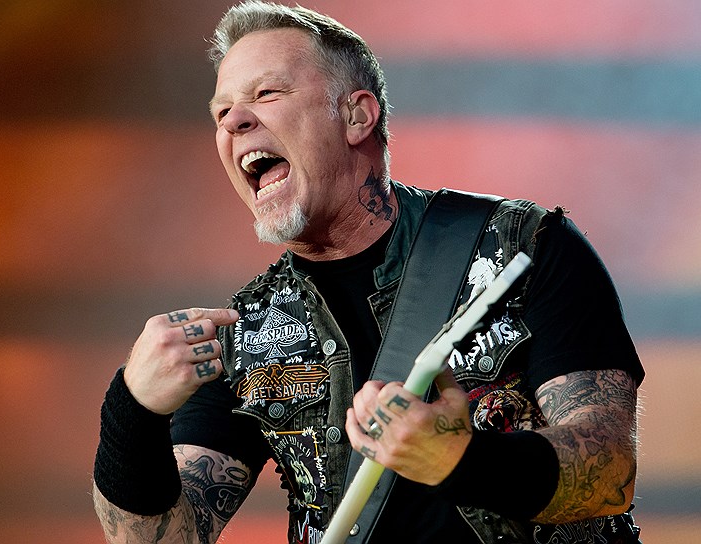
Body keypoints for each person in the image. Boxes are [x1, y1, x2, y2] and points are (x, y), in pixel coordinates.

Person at [92, 2, 644, 543]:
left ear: (357, 116)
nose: (235, 121)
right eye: (221, 113)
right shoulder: (247, 331)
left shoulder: (524, 247)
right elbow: (163, 538)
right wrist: (132, 409)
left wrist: (461, 461)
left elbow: (609, 475)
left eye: (267, 93)